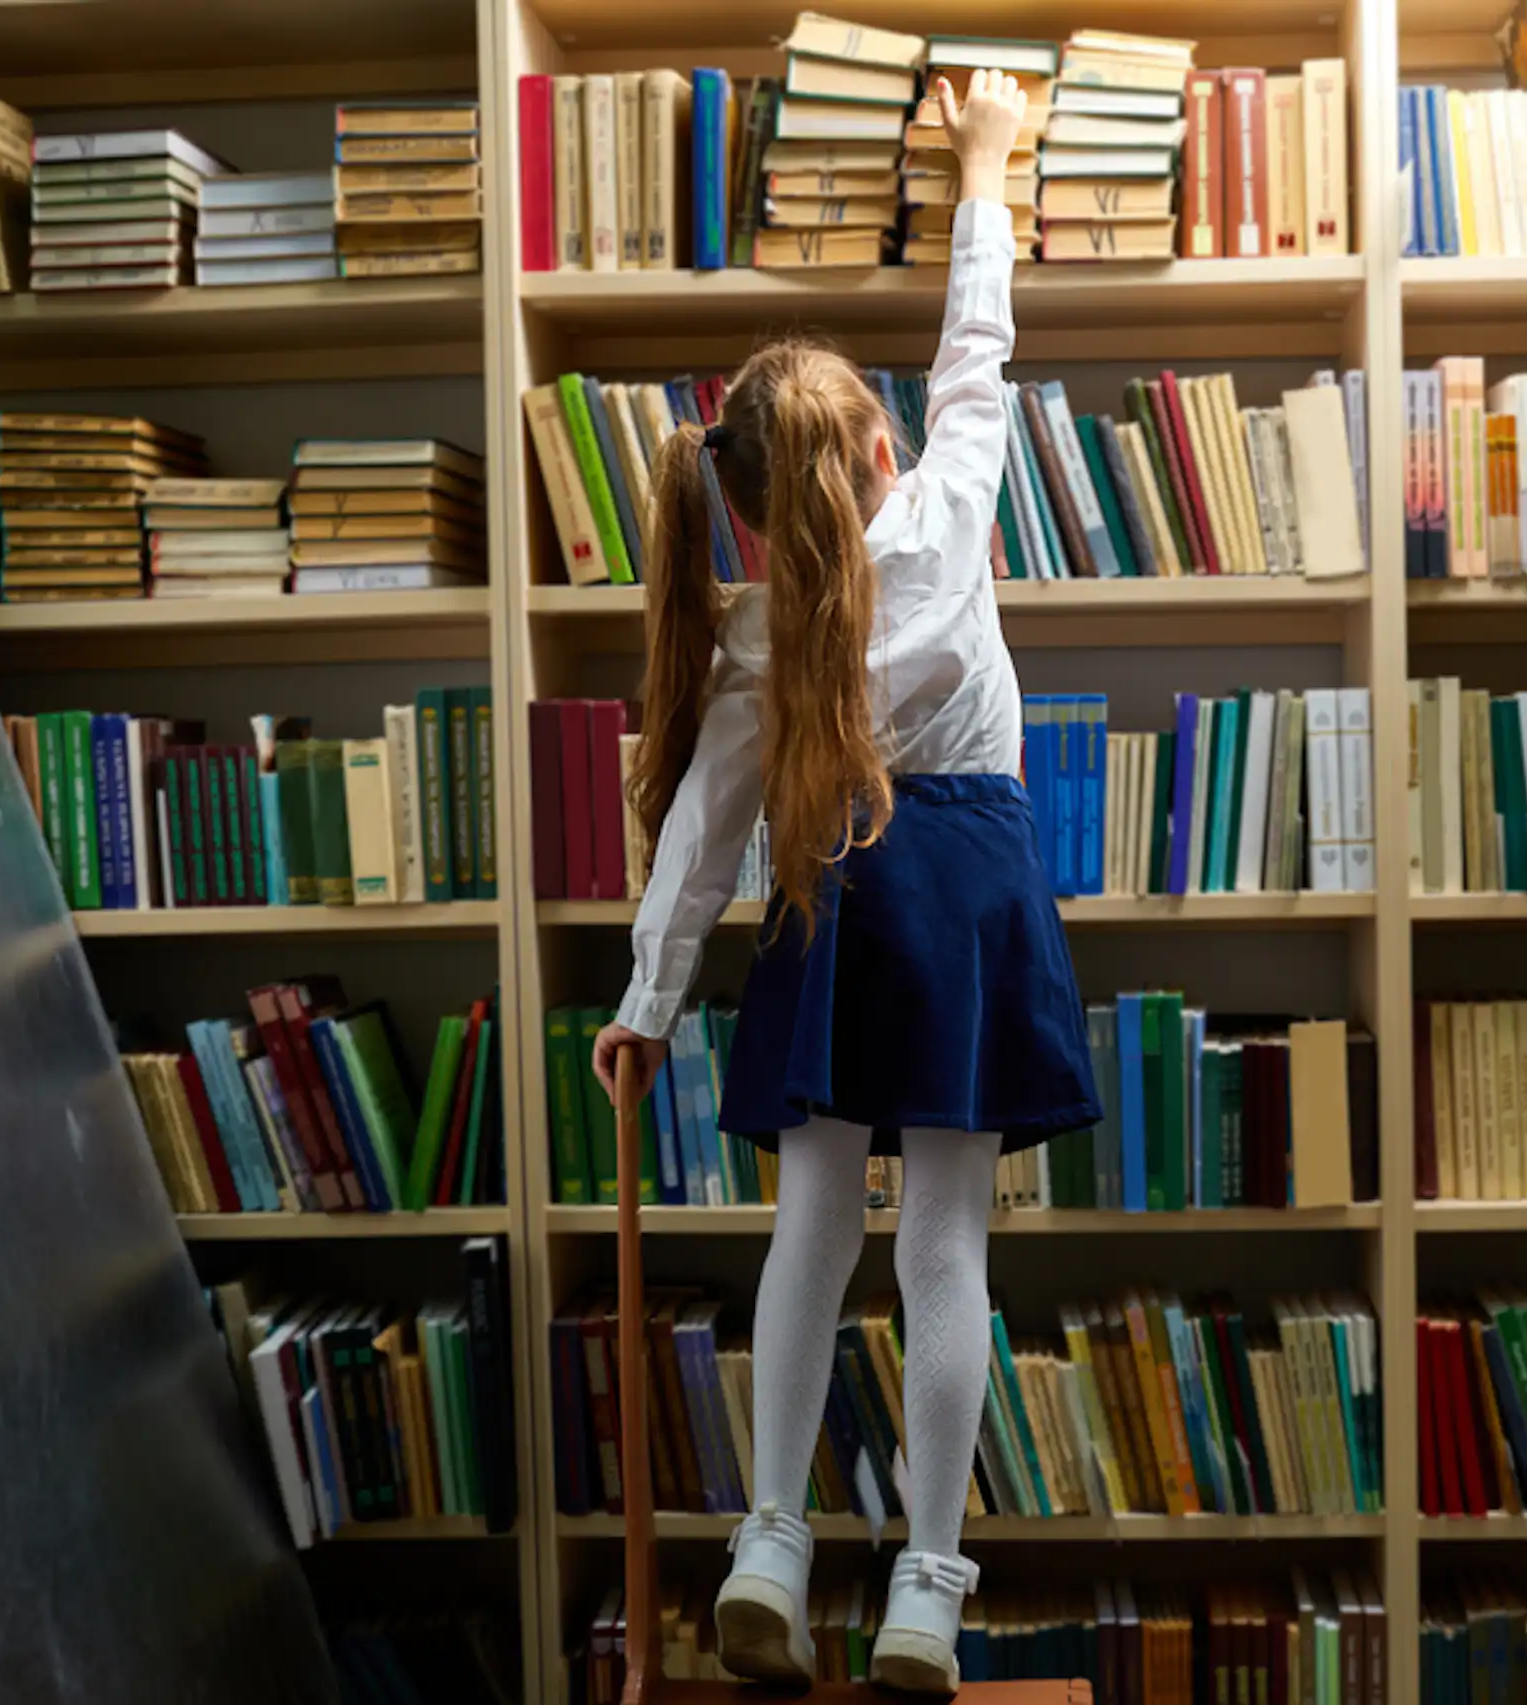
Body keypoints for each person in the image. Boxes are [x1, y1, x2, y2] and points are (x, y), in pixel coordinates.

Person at [589, 67, 1099, 1698]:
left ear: (732, 512)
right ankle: (928, 1591)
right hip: (971, 897)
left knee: (809, 1233)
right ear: (881, 449)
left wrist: (645, 1007)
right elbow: (981, 344)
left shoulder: (748, 643)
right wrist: (986, 160)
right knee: (945, 1247)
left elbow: (697, 843)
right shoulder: (950, 510)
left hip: (831, 902)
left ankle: (768, 1540)